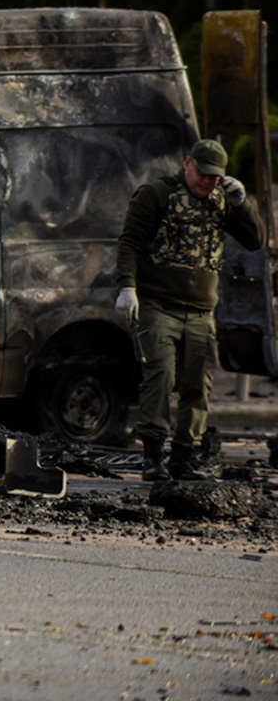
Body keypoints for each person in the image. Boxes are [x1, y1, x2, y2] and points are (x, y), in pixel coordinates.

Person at [115, 139, 265, 481]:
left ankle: (184, 457)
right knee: (161, 375)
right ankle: (152, 456)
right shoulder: (157, 194)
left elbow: (255, 239)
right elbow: (130, 242)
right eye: (202, 174)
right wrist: (127, 287)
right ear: (187, 164)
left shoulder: (221, 200)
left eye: (214, 177)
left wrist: (242, 204)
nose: (207, 182)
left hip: (201, 312)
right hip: (158, 306)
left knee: (198, 384)